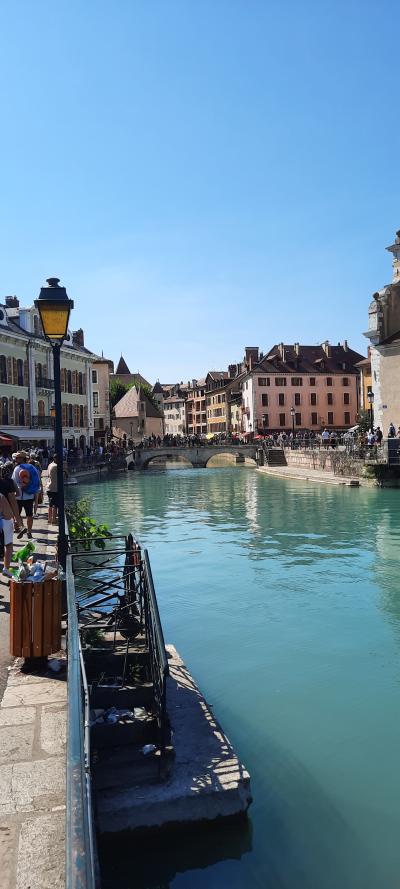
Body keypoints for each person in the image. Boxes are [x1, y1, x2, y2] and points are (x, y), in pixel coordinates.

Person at [12, 451, 40, 539]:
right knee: (29, 515)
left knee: (17, 514)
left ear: (21, 459)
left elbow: (13, 482)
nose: (16, 459)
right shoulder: (32, 467)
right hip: (29, 495)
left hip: (18, 495)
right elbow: (37, 479)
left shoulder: (17, 469)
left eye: (17, 458)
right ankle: (29, 532)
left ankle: (22, 527)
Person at [0, 491, 15, 578]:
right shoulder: (1, 496)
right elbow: (8, 515)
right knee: (8, 545)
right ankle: (6, 568)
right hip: (3, 523)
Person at [47, 454, 59, 525]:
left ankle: (49, 519)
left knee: (50, 504)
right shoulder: (56, 466)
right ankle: (54, 520)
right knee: (55, 505)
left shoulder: (50, 465)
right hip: (55, 488)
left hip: (49, 487)